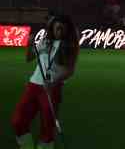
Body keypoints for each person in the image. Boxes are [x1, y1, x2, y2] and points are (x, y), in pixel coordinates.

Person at [11, 15, 77, 149]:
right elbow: (29, 58)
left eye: (63, 28)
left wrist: (53, 83)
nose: (59, 31)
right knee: (18, 121)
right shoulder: (45, 41)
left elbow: (69, 70)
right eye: (57, 27)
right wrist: (30, 44)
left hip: (52, 88)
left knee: (47, 128)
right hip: (34, 85)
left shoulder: (69, 45)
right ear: (52, 27)